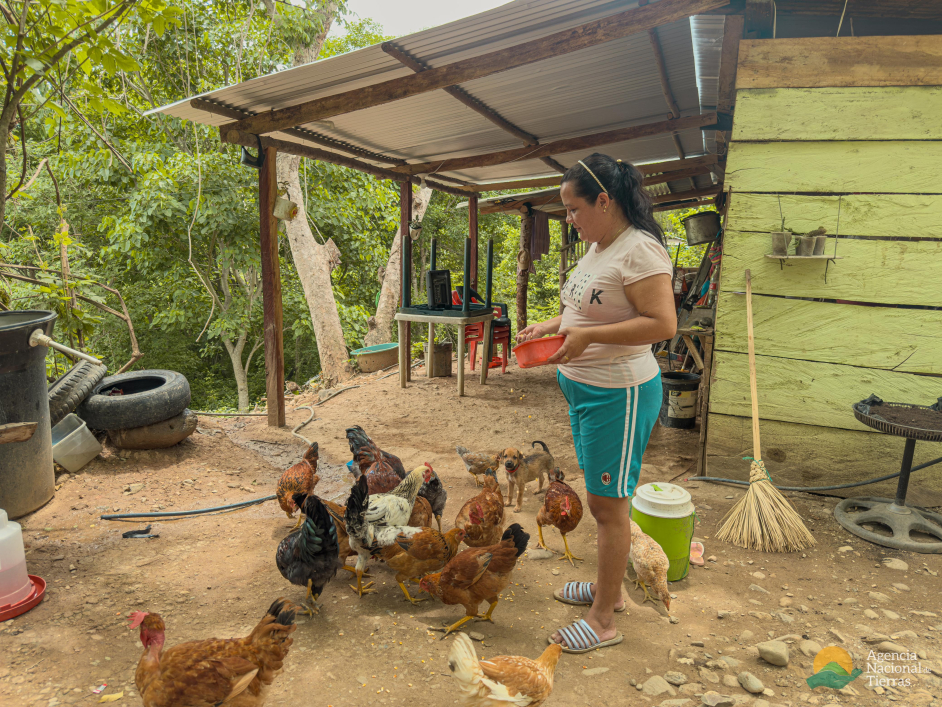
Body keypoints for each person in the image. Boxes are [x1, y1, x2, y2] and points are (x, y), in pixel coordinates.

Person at [516, 153, 677, 653]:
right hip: (585, 390)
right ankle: (609, 592)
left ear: (604, 201)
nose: (569, 219)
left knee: (609, 506)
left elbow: (663, 325)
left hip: (619, 393)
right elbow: (581, 309)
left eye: (572, 208)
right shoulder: (599, 247)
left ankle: (604, 618)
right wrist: (551, 326)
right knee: (599, 498)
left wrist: (587, 340)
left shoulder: (640, 251)